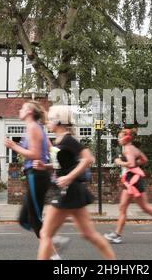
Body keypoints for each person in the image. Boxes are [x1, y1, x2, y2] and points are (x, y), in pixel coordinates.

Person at [35, 105, 115, 260]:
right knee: (88, 234)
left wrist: (69, 177)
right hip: (69, 191)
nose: (47, 122)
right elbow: (63, 165)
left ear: (59, 121)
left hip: (67, 191)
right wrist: (45, 166)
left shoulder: (68, 139)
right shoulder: (58, 141)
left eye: (50, 119)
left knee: (45, 233)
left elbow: (88, 159)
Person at [5, 101, 67, 260]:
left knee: (33, 219)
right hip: (38, 175)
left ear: (30, 112)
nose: (20, 110)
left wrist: (14, 146)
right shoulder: (37, 128)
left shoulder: (33, 127)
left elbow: (34, 154)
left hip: (36, 175)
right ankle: (52, 241)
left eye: (23, 108)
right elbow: (50, 149)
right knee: (24, 219)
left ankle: (53, 253)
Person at [104, 128, 152, 244]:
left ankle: (117, 235)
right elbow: (144, 159)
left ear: (126, 138)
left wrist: (119, 162)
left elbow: (132, 164)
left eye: (120, 137)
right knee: (141, 207)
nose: (118, 139)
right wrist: (134, 165)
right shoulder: (133, 148)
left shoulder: (128, 149)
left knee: (126, 207)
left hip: (132, 180)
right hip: (134, 179)